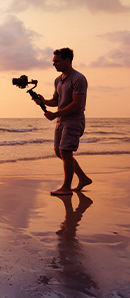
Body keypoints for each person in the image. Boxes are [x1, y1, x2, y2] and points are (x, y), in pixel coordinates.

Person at [35, 47, 92, 196]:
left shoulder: (78, 78)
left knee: (65, 151)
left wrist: (56, 114)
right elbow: (56, 100)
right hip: (61, 120)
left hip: (74, 120)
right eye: (53, 62)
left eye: (57, 61)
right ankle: (83, 178)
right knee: (59, 152)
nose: (54, 64)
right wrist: (43, 101)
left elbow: (76, 104)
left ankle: (66, 187)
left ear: (67, 60)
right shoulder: (58, 80)